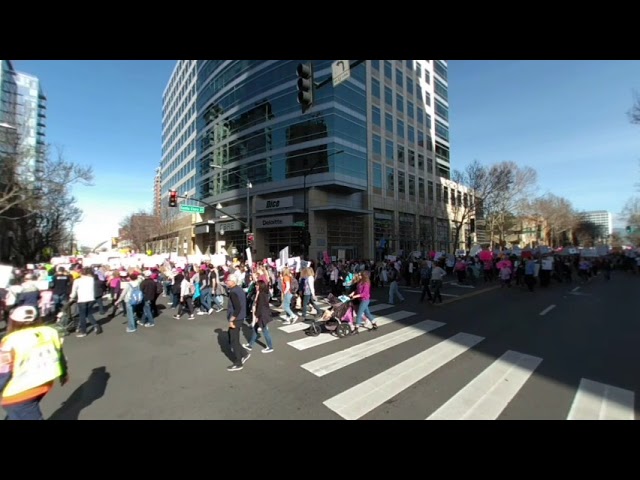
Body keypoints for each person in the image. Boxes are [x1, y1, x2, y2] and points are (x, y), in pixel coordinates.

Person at [0, 306, 69, 420]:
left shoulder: (9, 341)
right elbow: (59, 354)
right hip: (43, 384)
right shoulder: (50, 332)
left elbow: (4, 371)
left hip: (18, 393)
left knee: (21, 412)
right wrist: (63, 373)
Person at [226, 276, 250, 372]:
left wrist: (231, 320)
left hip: (236, 318)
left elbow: (237, 308)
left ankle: (238, 362)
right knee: (231, 335)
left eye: (228, 280)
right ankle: (244, 354)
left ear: (233, 281)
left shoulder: (233, 292)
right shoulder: (239, 289)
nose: (226, 282)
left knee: (234, 340)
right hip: (240, 317)